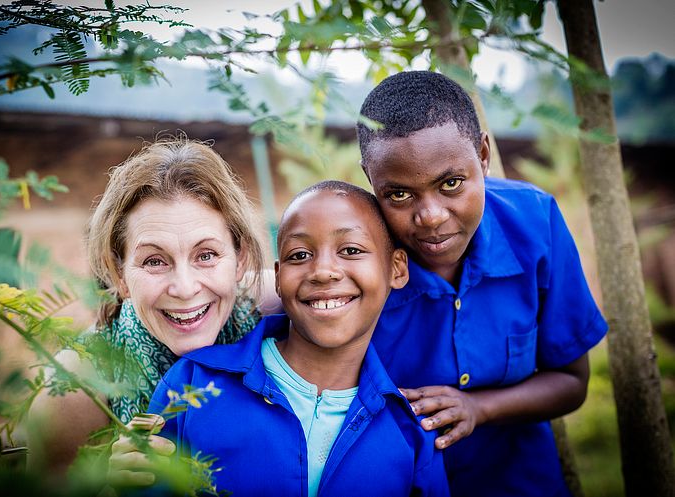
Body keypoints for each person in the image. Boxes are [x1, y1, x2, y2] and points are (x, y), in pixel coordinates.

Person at [357, 71, 608, 497]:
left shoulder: (535, 223)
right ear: (371, 179)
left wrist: (479, 407)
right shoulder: (357, 255)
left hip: (521, 483)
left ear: (484, 155)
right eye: (399, 194)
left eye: (451, 183)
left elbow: (571, 381)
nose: (431, 216)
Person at [147, 181, 450, 497]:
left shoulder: (412, 431)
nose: (322, 271)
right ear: (278, 278)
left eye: (350, 250)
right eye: (300, 254)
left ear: (396, 269)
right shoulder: (193, 383)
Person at [26, 136, 269, 480]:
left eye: (206, 255)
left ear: (240, 259)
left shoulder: (273, 319)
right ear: (119, 274)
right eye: (155, 261)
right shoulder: (76, 389)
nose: (185, 288)